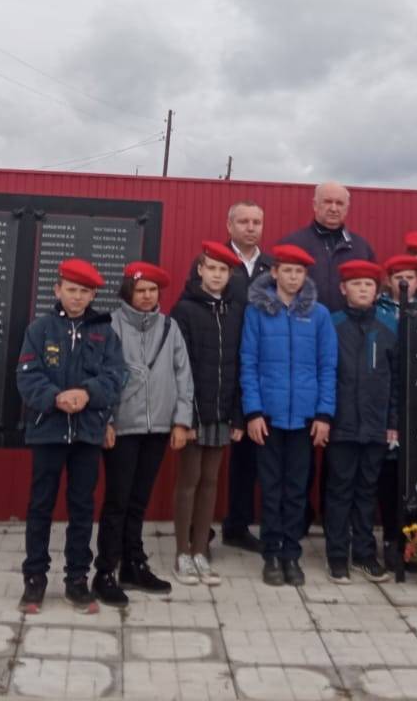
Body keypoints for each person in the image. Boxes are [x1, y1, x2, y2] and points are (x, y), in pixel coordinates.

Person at [15, 258, 128, 615]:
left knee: (81, 508)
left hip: (87, 434)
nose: (77, 297)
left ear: (93, 294)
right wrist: (55, 398)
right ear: (57, 290)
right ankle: (34, 579)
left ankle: (77, 580)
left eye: (84, 292)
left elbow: (116, 376)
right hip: (47, 431)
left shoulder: (105, 332)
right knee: (41, 506)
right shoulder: (40, 329)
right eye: (71, 290)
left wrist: (87, 394)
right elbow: (27, 375)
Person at [96, 262, 194, 607]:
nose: (148, 296)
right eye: (141, 290)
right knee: (117, 501)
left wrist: (181, 421)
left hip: (157, 429)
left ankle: (133, 564)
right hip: (123, 427)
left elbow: (183, 376)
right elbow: (100, 374)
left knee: (139, 500)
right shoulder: (109, 325)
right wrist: (105, 421)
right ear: (128, 292)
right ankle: (105, 569)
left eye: (153, 290)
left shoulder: (170, 328)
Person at [241, 242, 337, 587]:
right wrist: (253, 412)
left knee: (297, 488)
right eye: (287, 270)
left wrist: (324, 415)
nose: (293, 277)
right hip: (267, 416)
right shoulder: (257, 312)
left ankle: (291, 554)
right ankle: (271, 554)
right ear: (275, 272)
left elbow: (328, 367)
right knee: (271, 487)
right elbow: (248, 364)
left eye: (300, 272)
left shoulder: (320, 315)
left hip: (305, 420)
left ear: (305, 276)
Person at [171, 241, 245, 585]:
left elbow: (242, 364)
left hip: (222, 411)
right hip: (192, 412)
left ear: (229, 275)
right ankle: (182, 553)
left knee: (212, 481)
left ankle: (201, 550)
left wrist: (238, 416)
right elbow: (180, 367)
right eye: (211, 268)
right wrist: (186, 419)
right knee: (189, 480)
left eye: (223, 270)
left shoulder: (236, 310)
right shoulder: (184, 310)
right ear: (199, 269)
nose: (216, 275)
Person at [325, 259, 398, 584]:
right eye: (356, 284)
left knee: (367, 491)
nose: (363, 289)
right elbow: (325, 372)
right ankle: (337, 556)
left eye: (369, 284)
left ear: (377, 289)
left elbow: (396, 380)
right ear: (344, 289)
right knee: (340, 490)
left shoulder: (387, 326)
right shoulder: (332, 324)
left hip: (375, 425)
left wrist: (392, 421)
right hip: (341, 424)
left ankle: (365, 554)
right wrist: (324, 417)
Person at [220, 202, 271, 554]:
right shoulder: (216, 261)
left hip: (259, 370)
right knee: (207, 452)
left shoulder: (272, 268)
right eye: (244, 221)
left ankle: (238, 525)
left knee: (249, 457)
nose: (250, 227)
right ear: (230, 224)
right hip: (222, 367)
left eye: (256, 222)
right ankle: (197, 529)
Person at [375, 253, 417, 564]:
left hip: (416, 406)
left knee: (414, 478)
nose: (404, 282)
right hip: (382, 405)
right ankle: (390, 537)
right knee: (387, 477)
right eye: (398, 277)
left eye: (410, 277)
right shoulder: (377, 313)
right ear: (388, 281)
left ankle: (413, 541)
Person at [278, 182, 376, 313]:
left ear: (347, 209)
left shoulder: (362, 248)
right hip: (304, 325)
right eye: (328, 202)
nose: (334, 208)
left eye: (339, 203)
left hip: (347, 328)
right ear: (315, 205)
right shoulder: (293, 244)